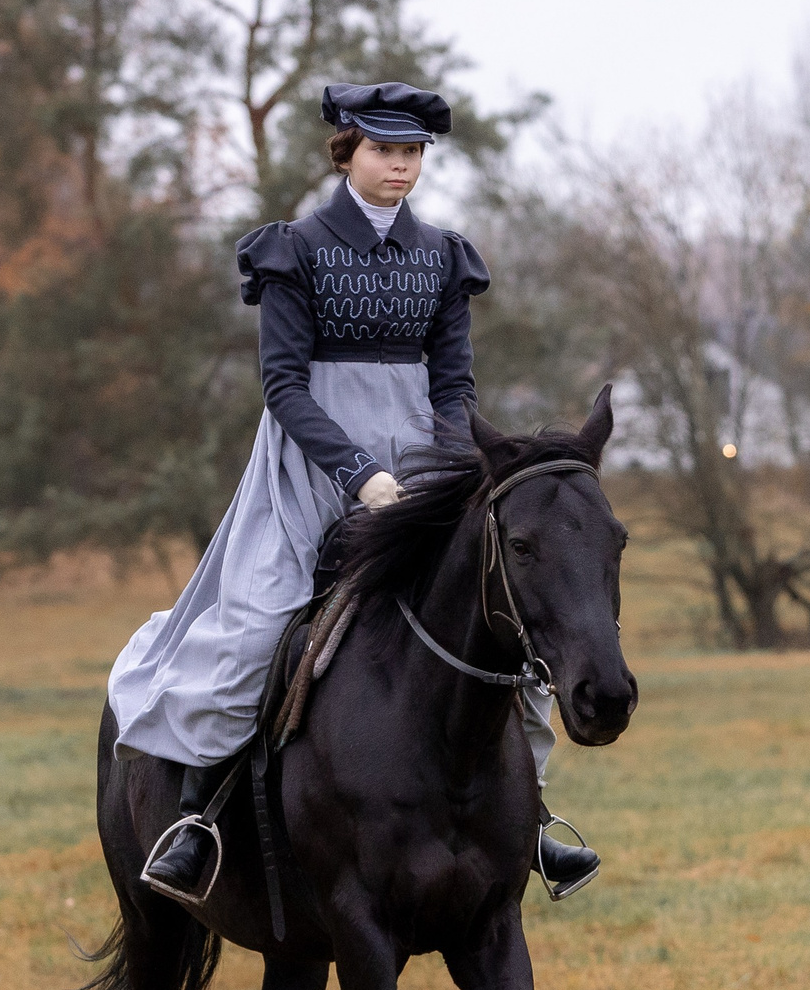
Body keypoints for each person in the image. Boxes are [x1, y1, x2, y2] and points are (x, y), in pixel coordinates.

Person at [106, 80, 602, 906]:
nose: (400, 167)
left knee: (502, 622)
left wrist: (451, 470)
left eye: (412, 154)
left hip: (421, 459)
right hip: (310, 462)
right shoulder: (293, 249)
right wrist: (357, 474)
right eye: (384, 151)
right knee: (258, 623)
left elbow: (454, 386)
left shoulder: (444, 255)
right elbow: (283, 387)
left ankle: (535, 818)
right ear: (349, 152)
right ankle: (196, 820)